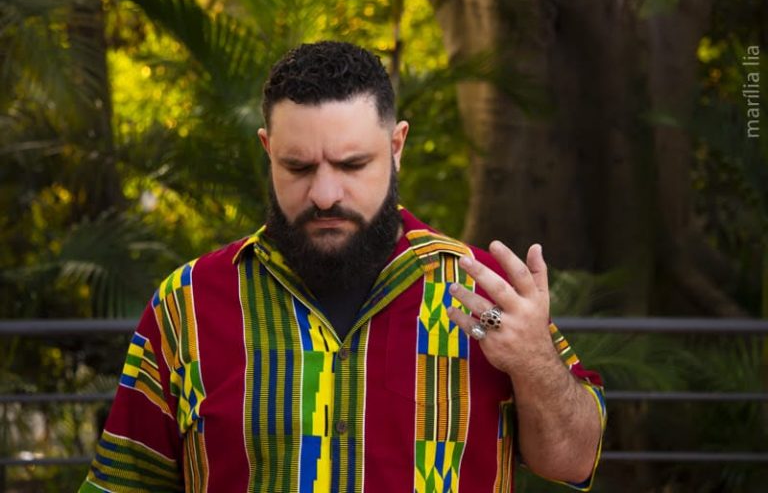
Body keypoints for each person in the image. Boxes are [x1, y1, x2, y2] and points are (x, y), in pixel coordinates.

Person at [80, 41, 606, 493]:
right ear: (268, 151)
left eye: (352, 164)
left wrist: (535, 363)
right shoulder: (188, 303)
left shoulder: (489, 293)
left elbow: (575, 461)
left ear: (396, 147)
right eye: (298, 166)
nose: (325, 194)